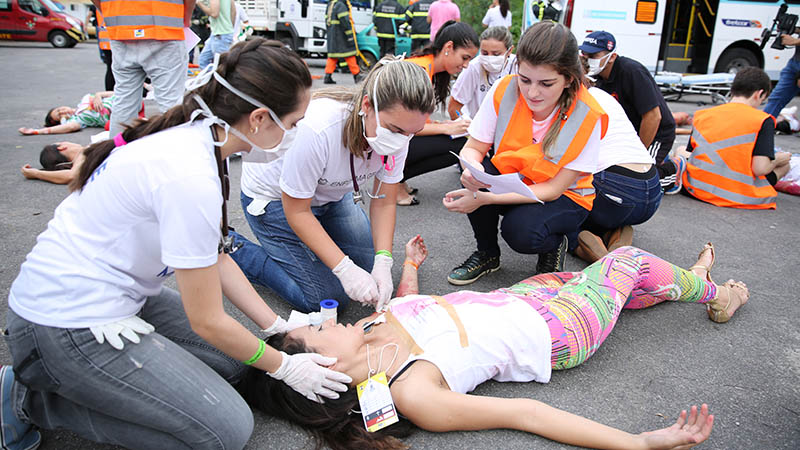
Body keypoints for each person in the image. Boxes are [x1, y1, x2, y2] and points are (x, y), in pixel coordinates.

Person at [2, 40, 352, 450]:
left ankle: (113, 379)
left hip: (118, 296)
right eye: (292, 124)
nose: (294, 135)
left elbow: (215, 255)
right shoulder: (189, 174)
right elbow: (207, 320)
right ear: (259, 118)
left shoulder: (200, 137)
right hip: (63, 324)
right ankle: (28, 399)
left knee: (233, 363)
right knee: (226, 431)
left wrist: (274, 327)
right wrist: (286, 367)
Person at [240, 235, 750, 450]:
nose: (327, 319)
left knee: (615, 285)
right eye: (318, 328)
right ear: (323, 366)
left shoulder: (372, 329)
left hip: (522, 296)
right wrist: (638, 442)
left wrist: (411, 268)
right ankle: (713, 289)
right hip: (561, 330)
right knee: (628, 262)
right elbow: (525, 413)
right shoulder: (409, 390)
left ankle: (673, 282)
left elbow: (410, 306)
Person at [228, 57, 435, 314]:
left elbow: (384, 201)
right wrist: (343, 269)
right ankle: (234, 247)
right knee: (326, 297)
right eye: (394, 130)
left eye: (411, 133)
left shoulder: (399, 134)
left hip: (331, 195)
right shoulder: (317, 129)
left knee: (369, 269)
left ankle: (310, 258)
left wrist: (383, 260)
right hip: (275, 201)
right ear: (367, 105)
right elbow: (298, 212)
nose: (402, 141)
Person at [444, 22, 607, 284]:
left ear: (568, 79)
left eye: (546, 83)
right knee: (478, 172)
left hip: (565, 196)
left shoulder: (588, 114)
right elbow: (473, 148)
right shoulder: (504, 88)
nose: (532, 92)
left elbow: (554, 189)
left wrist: (485, 198)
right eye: (525, 79)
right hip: (516, 179)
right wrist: (471, 171)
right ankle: (487, 254)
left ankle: (554, 243)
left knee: (520, 233)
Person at [579, 31, 684, 195]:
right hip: (629, 135)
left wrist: (638, 153)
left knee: (643, 184)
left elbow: (653, 116)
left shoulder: (632, 71)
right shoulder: (598, 79)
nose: (586, 59)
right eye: (584, 54)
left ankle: (674, 170)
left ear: (612, 57)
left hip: (657, 134)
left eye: (592, 54)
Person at [682, 67, 791, 210]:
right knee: (785, 165)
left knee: (680, 150)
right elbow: (760, 169)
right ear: (759, 94)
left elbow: (692, 152)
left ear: (733, 90)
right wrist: (779, 158)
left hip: (695, 187)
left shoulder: (702, 114)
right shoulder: (762, 120)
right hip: (738, 194)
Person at [575, 86, 662, 263]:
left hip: (614, 185)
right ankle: (616, 231)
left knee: (566, 213)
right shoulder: (602, 94)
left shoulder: (571, 101)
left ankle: (587, 246)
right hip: (652, 187)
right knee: (616, 211)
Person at [398, 21, 479, 206]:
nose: (466, 65)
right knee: (459, 145)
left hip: (394, 137)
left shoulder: (427, 67)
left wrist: (445, 126)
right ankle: (394, 181)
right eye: (464, 57)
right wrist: (447, 127)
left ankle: (398, 179)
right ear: (449, 47)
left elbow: (416, 120)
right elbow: (407, 127)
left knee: (458, 139)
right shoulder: (420, 70)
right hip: (385, 141)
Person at [96, 0, 193, 136]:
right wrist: (186, 17)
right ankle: (175, 152)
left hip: (121, 30)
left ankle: (116, 152)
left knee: (124, 101)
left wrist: (109, 14)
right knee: (170, 102)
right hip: (165, 28)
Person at [448, 26, 516, 119]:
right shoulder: (473, 68)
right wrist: (464, 127)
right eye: (484, 53)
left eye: (496, 54)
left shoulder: (518, 67)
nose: (489, 58)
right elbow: (454, 107)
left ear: (509, 51)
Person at [18, 91, 115, 136]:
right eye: (59, 115)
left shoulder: (85, 98)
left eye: (59, 110)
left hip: (120, 99)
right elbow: (69, 127)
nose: (62, 112)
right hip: (118, 115)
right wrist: (37, 131)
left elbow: (113, 92)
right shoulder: (78, 119)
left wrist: (98, 96)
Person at [762, 26, 800, 119]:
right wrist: (794, 29)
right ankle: (763, 128)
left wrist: (795, 41)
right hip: (795, 63)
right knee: (776, 98)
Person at [324, 0, 363, 84]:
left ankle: (328, 76)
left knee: (333, 56)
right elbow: (345, 21)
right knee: (349, 54)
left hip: (333, 35)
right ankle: (357, 75)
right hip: (341, 36)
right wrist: (350, 34)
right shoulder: (341, 5)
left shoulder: (331, 4)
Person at [196, 0, 236, 69]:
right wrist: (230, 27)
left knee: (221, 65)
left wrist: (199, 4)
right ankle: (214, 78)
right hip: (221, 33)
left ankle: (219, 78)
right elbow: (233, 11)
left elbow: (214, 14)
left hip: (220, 34)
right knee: (203, 61)